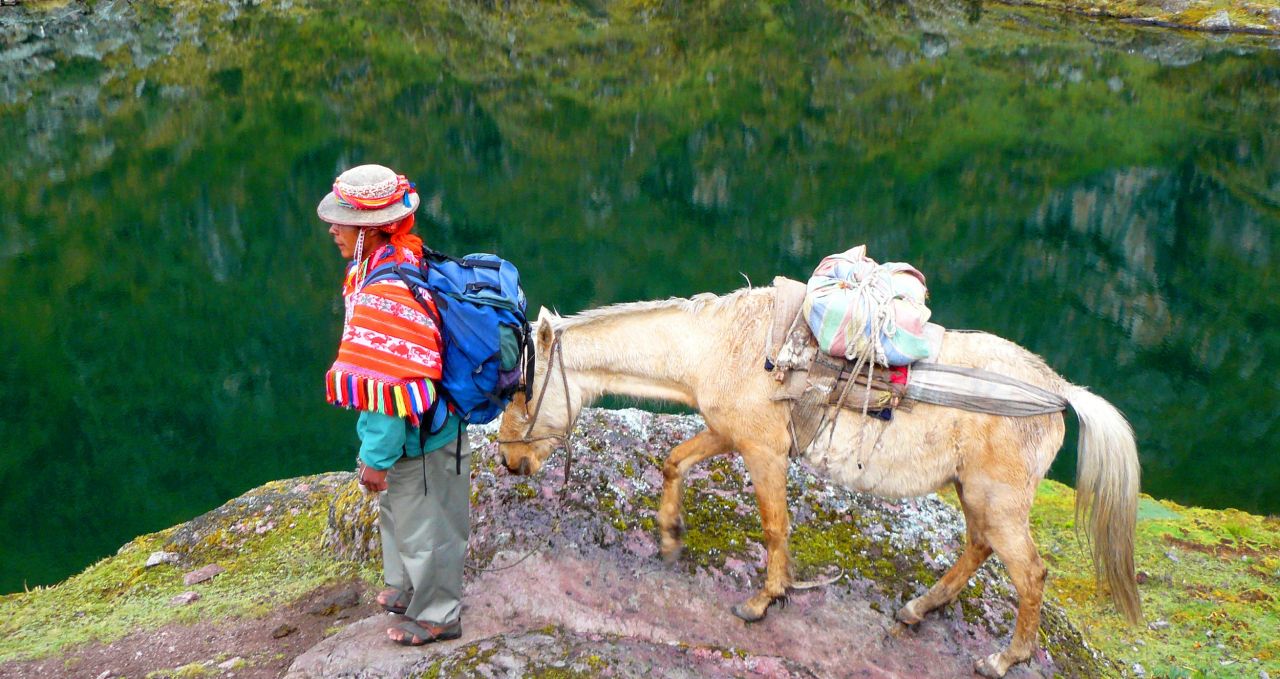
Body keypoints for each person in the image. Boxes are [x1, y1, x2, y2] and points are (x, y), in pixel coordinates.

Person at [318, 164, 470, 646]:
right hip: (428, 426)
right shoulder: (400, 260)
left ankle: (438, 615)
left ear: (368, 229)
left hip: (422, 435)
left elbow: (387, 389)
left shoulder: (384, 291)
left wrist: (375, 460)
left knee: (427, 526)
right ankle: (405, 589)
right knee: (403, 514)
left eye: (341, 220)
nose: (332, 228)